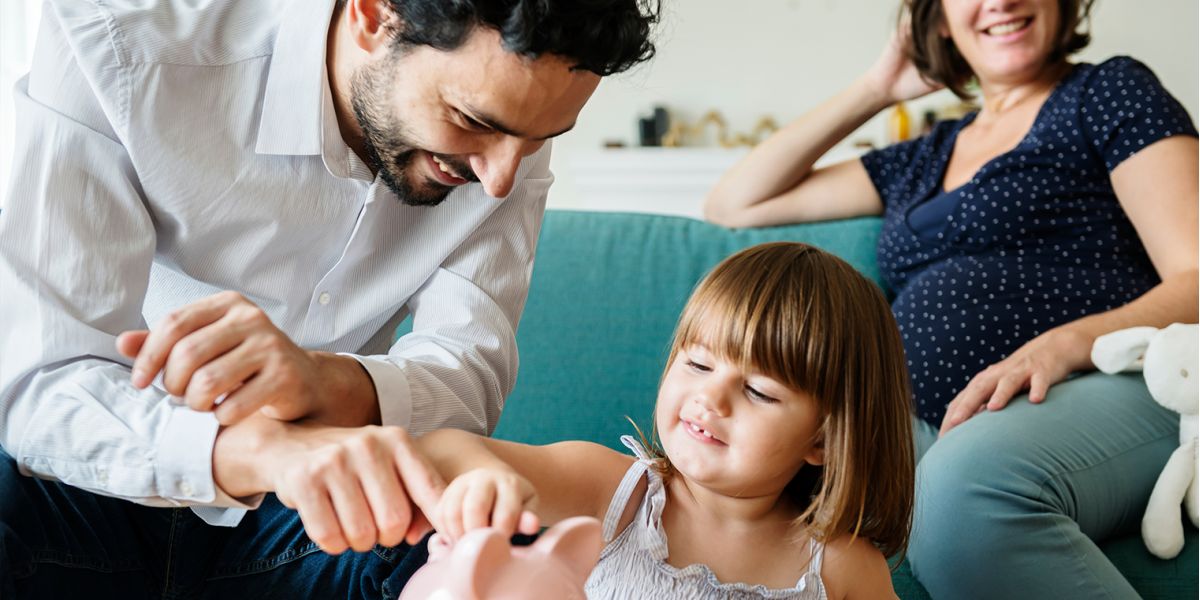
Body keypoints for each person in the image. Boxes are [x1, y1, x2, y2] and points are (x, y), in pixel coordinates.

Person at [0, 0, 658, 597]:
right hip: (86, 494)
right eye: (470, 122)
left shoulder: (507, 138)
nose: (500, 179)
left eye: (539, 141)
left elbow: (467, 378)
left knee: (485, 550)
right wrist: (267, 452)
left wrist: (326, 380)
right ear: (375, 16)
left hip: (313, 525)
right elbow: (40, 382)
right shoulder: (116, 46)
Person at [703, 0, 1197, 597]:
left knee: (966, 490)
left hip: (1106, 378)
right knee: (790, 471)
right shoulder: (925, 154)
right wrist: (877, 86)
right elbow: (734, 204)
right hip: (931, 423)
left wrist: (1065, 345)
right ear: (936, 18)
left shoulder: (1107, 92)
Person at [418, 242, 916, 600]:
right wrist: (486, 477)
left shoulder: (840, 567)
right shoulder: (616, 494)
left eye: (759, 391)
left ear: (825, 440)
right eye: (698, 364)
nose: (710, 397)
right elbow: (442, 450)